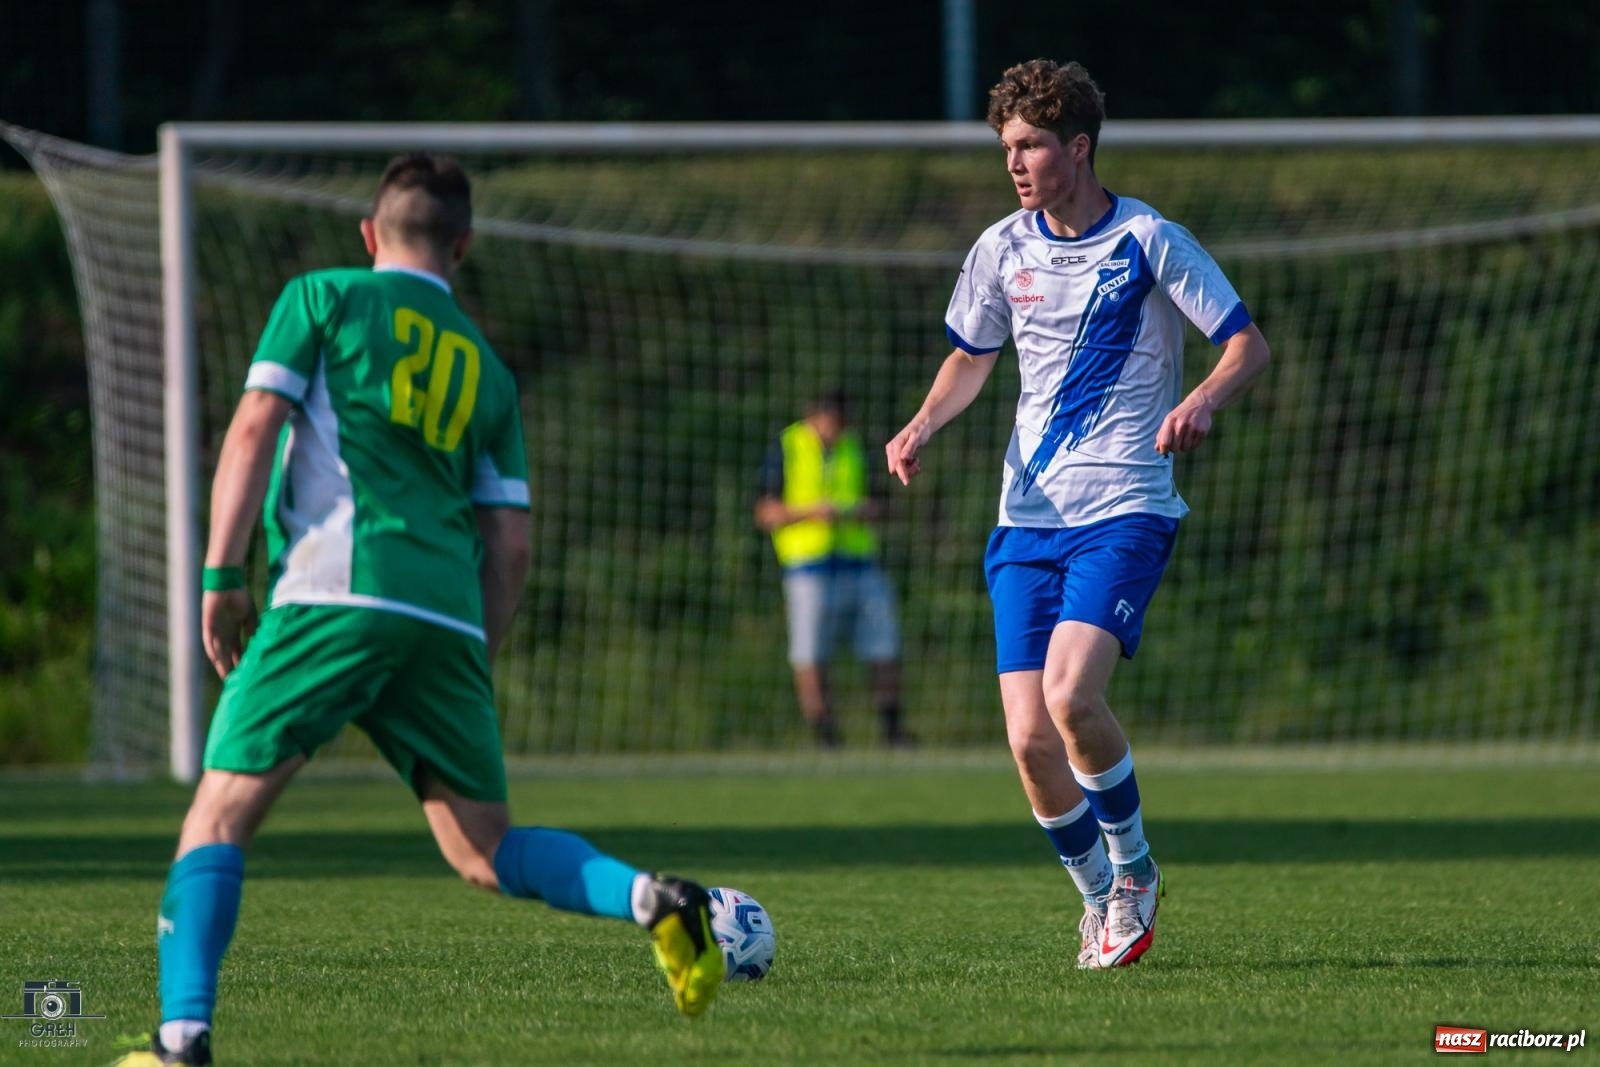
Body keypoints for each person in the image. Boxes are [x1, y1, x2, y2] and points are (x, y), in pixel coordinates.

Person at [118, 153, 722, 1066]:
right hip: (444, 616)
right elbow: (511, 543)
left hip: (332, 590)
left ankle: (180, 1039)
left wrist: (220, 576)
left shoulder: (323, 298)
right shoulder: (486, 367)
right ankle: (654, 900)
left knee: (218, 817)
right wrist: (471, 649)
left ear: (370, 235)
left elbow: (253, 426)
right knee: (486, 849)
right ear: (463, 246)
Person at [885, 60, 1270, 970]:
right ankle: (1099, 897)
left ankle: (1135, 872)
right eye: (1006, 146)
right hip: (1026, 518)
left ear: (1079, 148)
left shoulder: (1149, 239)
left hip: (1126, 505)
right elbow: (971, 359)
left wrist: (1205, 400)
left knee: (1069, 696)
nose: (1014, 162)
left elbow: (1246, 345)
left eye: (1030, 145)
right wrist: (922, 422)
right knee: (1026, 737)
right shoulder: (999, 249)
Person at [755, 391, 910, 748]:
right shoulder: (788, 446)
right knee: (810, 651)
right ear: (813, 416)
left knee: (883, 640)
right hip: (807, 568)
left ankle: (891, 726)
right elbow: (765, 512)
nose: (835, 429)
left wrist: (854, 511)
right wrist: (811, 513)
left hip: (859, 563)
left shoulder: (856, 446)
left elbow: (882, 505)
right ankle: (824, 732)